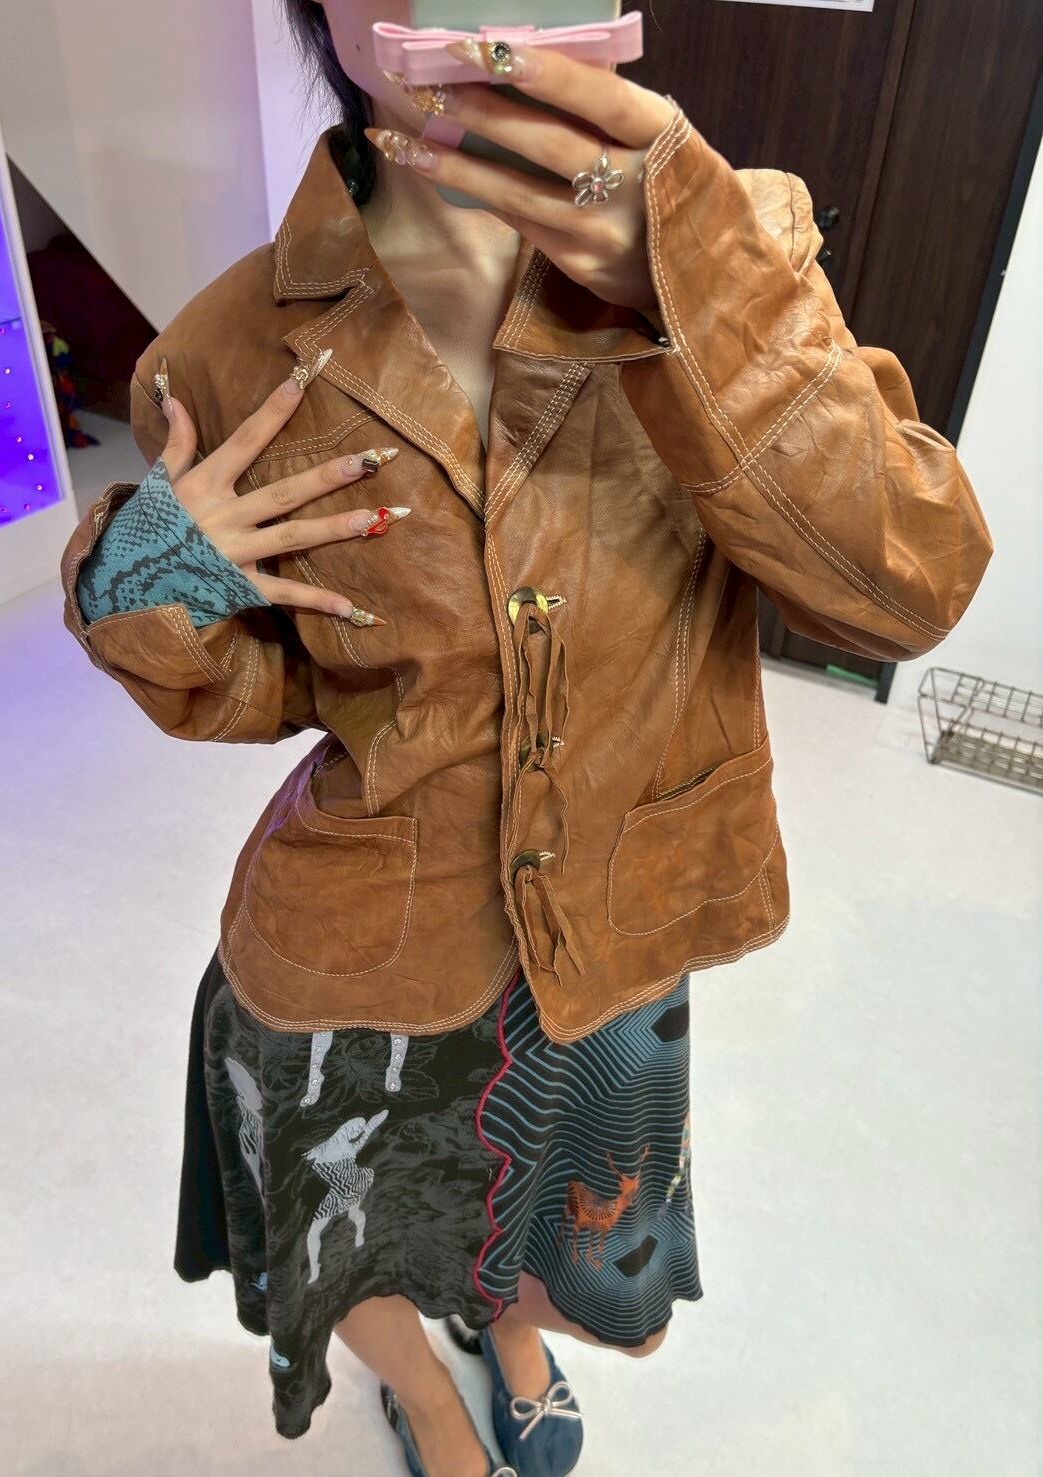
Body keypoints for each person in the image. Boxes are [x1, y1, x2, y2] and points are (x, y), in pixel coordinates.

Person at [58, 5, 993, 1475]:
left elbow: (908, 585)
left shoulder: (739, 252)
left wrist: (693, 299)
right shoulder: (232, 348)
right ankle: (425, 1398)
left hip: (618, 934)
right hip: (362, 947)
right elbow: (262, 687)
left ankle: (508, 1339)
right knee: (363, 1232)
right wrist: (145, 575)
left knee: (557, 1232)